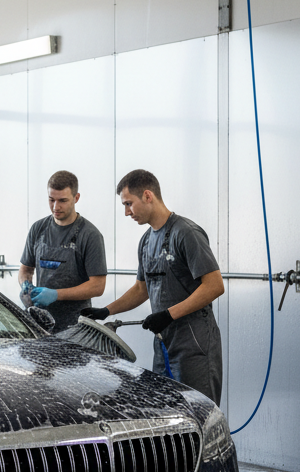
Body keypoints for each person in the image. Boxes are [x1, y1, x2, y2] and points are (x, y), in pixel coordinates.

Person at [82, 168, 225, 404]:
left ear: (148, 196)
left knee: (199, 413)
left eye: (129, 204)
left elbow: (214, 286)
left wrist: (168, 314)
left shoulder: (186, 233)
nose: (127, 212)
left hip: (194, 344)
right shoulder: (147, 240)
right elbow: (142, 289)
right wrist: (107, 311)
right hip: (164, 343)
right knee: (165, 413)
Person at [18, 170, 107, 333]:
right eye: (51, 200)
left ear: (76, 198)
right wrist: (25, 285)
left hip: (76, 327)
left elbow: (98, 286)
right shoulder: (38, 229)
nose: (55, 207)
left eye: (62, 201)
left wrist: (56, 294)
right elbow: (26, 269)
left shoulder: (90, 235)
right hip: (40, 324)